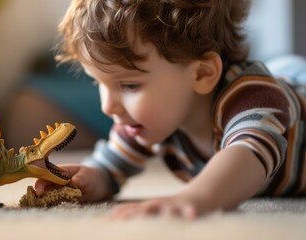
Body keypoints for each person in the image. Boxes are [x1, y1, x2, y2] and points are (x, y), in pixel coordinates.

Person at [35, 0, 306, 219]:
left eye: (129, 85)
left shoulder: (253, 97)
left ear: (201, 73)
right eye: (99, 83)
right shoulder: (159, 118)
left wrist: (197, 196)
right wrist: (90, 178)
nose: (107, 106)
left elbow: (249, 154)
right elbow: (111, 166)